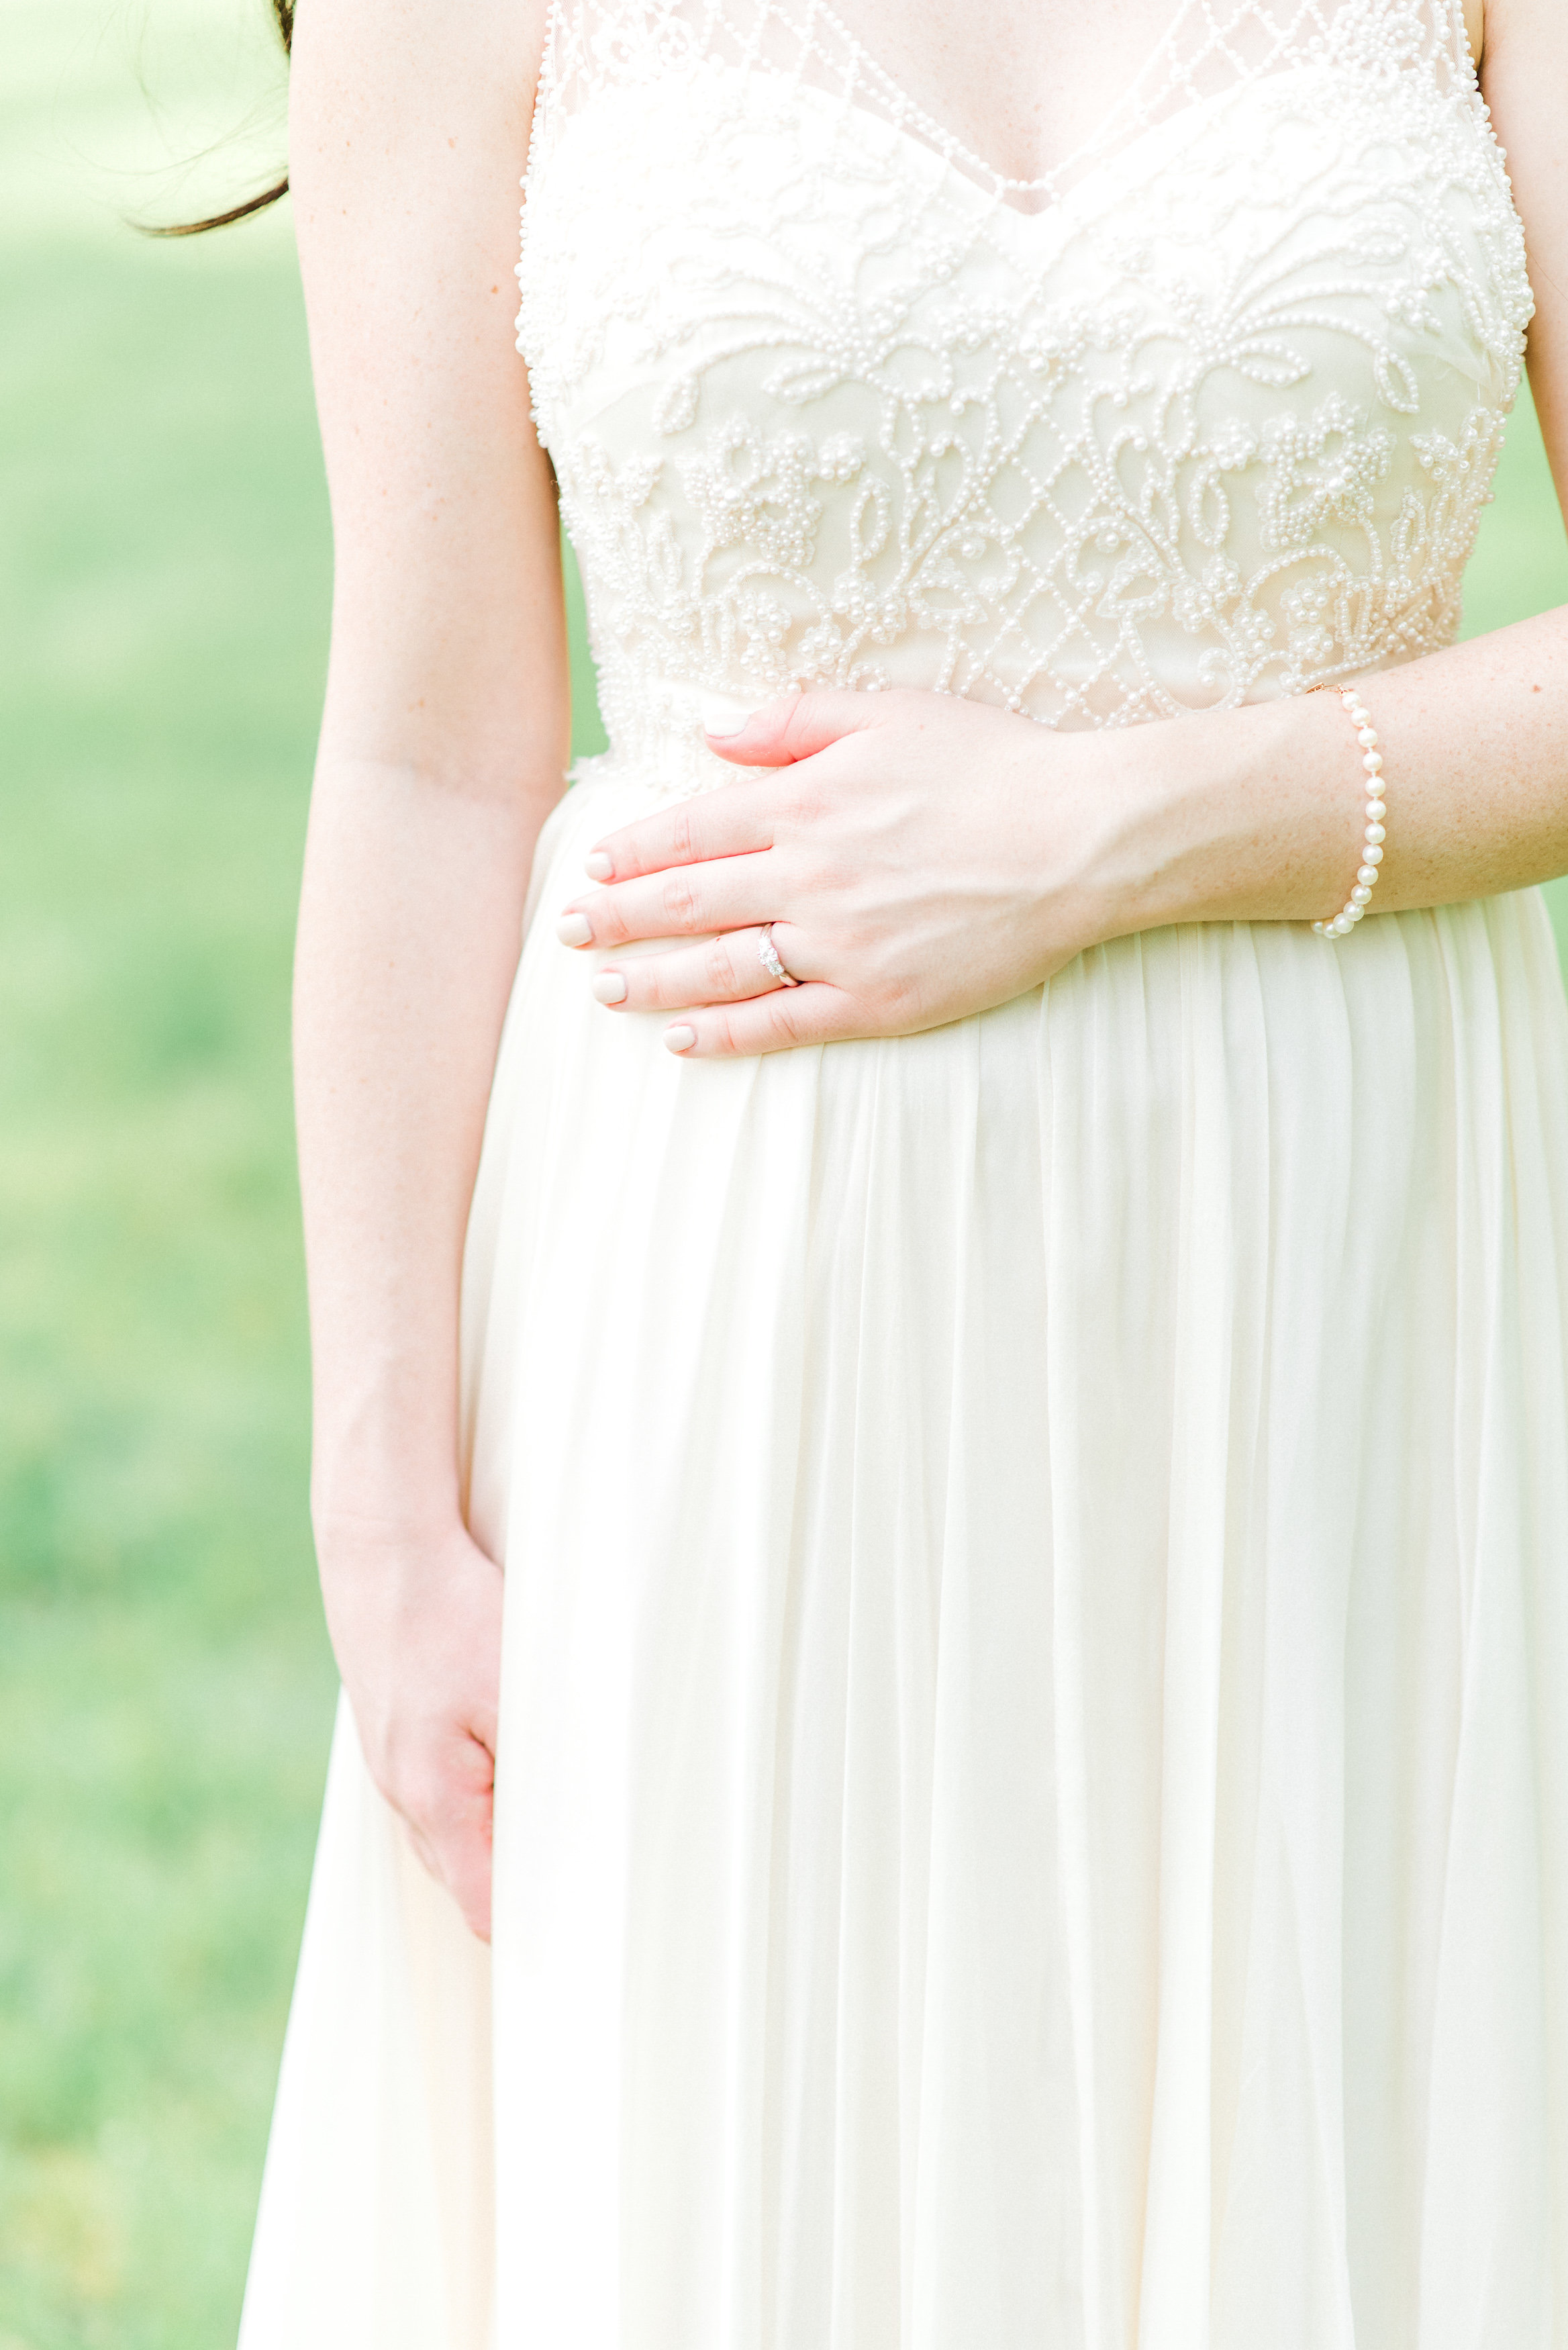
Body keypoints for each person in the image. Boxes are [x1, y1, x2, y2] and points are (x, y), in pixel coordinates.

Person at [231, 0, 1568, 2339]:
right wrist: (385, 1505)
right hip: (741, 1339)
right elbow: (430, 756)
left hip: (1362, 1303)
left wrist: (1112, 829)